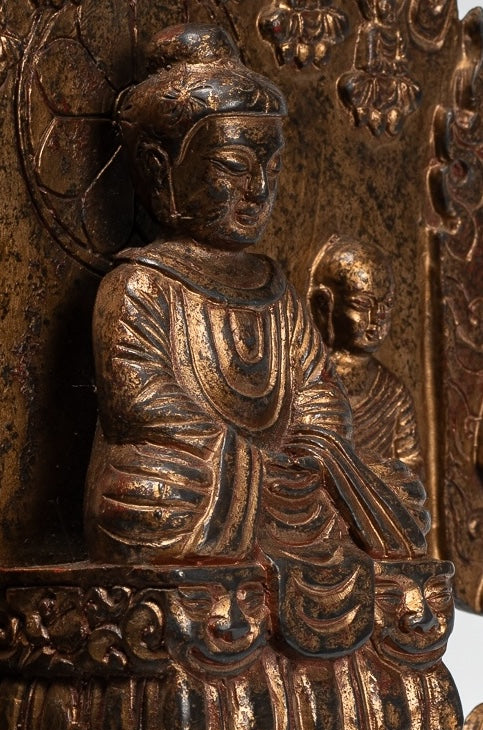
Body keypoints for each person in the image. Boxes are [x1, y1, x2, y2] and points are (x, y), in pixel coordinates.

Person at [84, 23, 428, 658]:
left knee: (398, 497)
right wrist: (241, 453)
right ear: (161, 170)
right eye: (233, 167)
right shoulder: (140, 286)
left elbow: (317, 390)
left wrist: (312, 445)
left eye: (270, 167)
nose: (259, 190)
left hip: (286, 488)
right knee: (143, 494)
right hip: (200, 481)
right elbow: (141, 403)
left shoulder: (276, 289)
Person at [308, 234, 424, 477]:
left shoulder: (393, 394)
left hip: (377, 495)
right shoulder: (307, 380)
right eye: (362, 305)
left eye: (386, 306)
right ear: (324, 304)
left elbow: (411, 467)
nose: (376, 319)